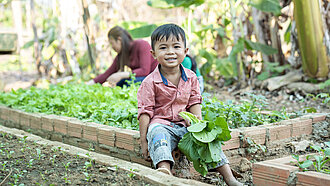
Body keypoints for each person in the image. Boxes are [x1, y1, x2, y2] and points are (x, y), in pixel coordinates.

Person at [137, 23, 242, 186]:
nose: (170, 52)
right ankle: (164, 170)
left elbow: (194, 101)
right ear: (153, 54)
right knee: (157, 133)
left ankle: (229, 177)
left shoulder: (191, 77)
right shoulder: (149, 82)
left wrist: (198, 125)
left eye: (176, 46)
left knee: (209, 139)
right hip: (163, 124)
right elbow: (145, 112)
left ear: (185, 52)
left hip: (186, 124)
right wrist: (144, 142)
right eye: (163, 48)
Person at [86, 26, 158, 87]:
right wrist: (88, 84)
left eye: (112, 43)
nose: (112, 47)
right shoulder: (121, 56)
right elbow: (107, 74)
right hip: (144, 79)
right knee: (121, 83)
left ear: (119, 40)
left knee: (129, 82)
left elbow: (144, 70)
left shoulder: (141, 44)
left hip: (155, 78)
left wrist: (121, 75)